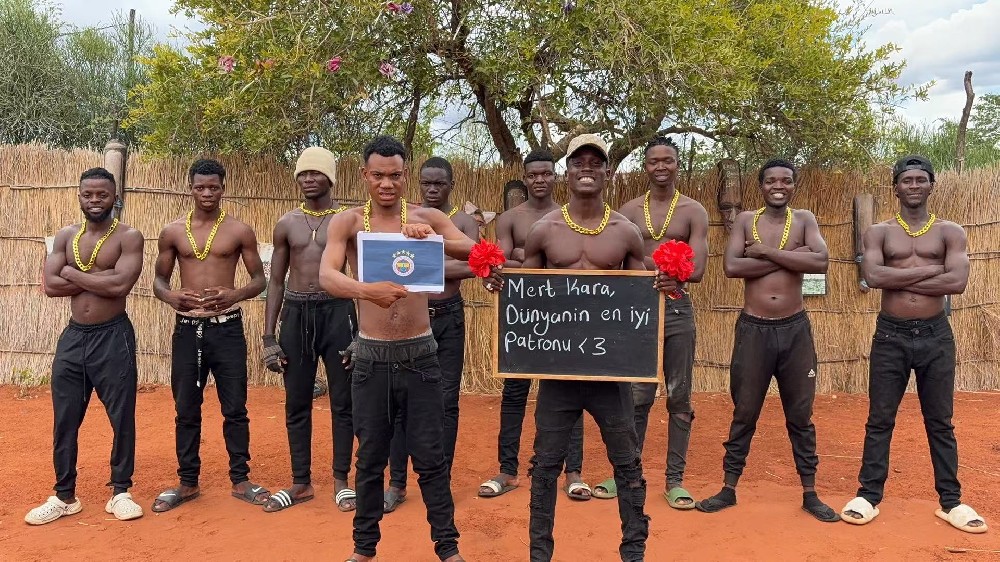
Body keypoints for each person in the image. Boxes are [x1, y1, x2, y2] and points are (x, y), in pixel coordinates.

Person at [485, 134, 651, 562]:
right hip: (557, 375)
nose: (588, 169)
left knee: (628, 464)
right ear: (568, 172)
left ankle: (634, 552)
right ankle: (540, 554)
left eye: (597, 162)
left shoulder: (626, 233)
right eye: (580, 162)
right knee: (544, 467)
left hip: (609, 376)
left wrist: (665, 283)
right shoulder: (544, 232)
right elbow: (525, 296)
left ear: (608, 173)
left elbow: (643, 300)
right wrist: (500, 281)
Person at [319, 136, 477, 562]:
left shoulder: (426, 217)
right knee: (370, 459)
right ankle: (364, 549)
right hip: (371, 357)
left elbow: (476, 249)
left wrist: (432, 238)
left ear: (405, 175)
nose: (386, 184)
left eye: (394, 175)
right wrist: (366, 291)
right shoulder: (348, 223)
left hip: (420, 355)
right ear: (364, 176)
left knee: (431, 458)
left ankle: (448, 549)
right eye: (378, 176)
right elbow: (328, 277)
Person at [840, 156, 987, 533]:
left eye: (922, 179)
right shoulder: (879, 232)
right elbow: (872, 276)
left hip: (936, 336)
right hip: (891, 335)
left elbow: (957, 282)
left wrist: (899, 276)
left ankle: (951, 501)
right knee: (880, 418)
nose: (915, 185)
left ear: (931, 185)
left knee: (940, 420)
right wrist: (932, 270)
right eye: (907, 180)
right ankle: (868, 496)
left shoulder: (950, 231)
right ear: (897, 187)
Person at [695, 159, 838, 522]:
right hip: (753, 329)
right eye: (771, 180)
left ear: (794, 185)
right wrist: (794, 258)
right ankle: (728, 488)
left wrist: (766, 253)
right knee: (744, 410)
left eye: (786, 181)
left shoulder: (804, 219)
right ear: (761, 186)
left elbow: (821, 262)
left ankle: (810, 492)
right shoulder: (746, 220)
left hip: (795, 330)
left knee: (801, 415)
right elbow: (732, 267)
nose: (779, 185)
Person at [26, 168, 145, 525]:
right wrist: (100, 279)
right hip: (74, 337)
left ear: (114, 197)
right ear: (79, 196)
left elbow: (120, 285)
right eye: (88, 195)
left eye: (102, 195)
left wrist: (73, 274)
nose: (95, 200)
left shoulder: (129, 237)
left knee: (120, 415)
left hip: (113, 336)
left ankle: (120, 491)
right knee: (65, 419)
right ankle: (64, 496)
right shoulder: (65, 236)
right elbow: (49, 284)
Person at [150, 158, 270, 512]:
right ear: (190, 188)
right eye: (200, 187)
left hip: (227, 327)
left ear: (223, 188)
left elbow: (259, 280)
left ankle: (241, 479)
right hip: (187, 328)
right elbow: (159, 281)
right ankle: (188, 483)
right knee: (186, 408)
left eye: (213, 187)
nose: (206, 193)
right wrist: (171, 296)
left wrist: (235, 294)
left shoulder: (239, 230)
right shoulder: (172, 231)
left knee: (235, 407)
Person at [479, 148, 589, 501]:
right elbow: (499, 261)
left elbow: (564, 264)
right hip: (522, 316)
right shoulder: (510, 218)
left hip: (565, 315)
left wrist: (520, 259)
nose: (539, 180)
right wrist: (528, 261)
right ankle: (507, 470)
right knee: (514, 394)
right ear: (524, 178)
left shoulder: (571, 216)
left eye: (545, 173)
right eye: (532, 175)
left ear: (555, 176)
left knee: (569, 392)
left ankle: (572, 472)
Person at [606, 135, 708, 508]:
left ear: (678, 164)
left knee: (679, 395)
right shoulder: (629, 211)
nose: (661, 166)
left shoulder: (693, 211)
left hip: (678, 308)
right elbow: (615, 259)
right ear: (645, 166)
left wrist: (672, 273)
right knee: (636, 395)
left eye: (668, 160)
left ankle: (675, 480)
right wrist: (658, 270)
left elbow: (698, 268)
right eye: (653, 161)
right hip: (637, 310)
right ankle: (627, 471)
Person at [260, 146, 360, 513]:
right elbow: (275, 281)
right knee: (296, 400)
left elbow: (359, 276)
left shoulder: (348, 220)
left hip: (338, 312)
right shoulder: (287, 223)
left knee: (343, 401)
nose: (308, 179)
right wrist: (269, 337)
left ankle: (341, 481)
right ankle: (301, 482)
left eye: (315, 173)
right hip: (297, 315)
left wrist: (361, 334)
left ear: (330, 177)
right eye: (302, 174)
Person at [383, 156, 480, 513]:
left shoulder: (465, 222)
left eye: (439, 183)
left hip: (449, 315)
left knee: (446, 402)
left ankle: (441, 479)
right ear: (417, 183)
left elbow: (476, 264)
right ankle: (396, 482)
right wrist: (442, 261)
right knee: (399, 400)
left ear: (451, 184)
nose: (432, 189)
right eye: (426, 183)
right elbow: (388, 262)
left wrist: (426, 260)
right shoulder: (404, 217)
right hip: (410, 316)